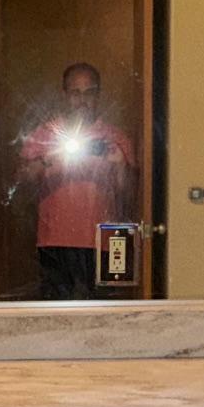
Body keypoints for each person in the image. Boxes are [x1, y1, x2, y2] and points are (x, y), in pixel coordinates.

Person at [16, 62, 137, 299]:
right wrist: (52, 157)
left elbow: (131, 197)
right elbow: (19, 184)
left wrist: (121, 165)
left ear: (98, 95)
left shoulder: (115, 138)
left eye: (90, 92)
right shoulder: (46, 135)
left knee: (107, 315)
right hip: (55, 242)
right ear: (65, 95)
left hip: (106, 241)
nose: (82, 100)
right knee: (57, 315)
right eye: (75, 93)